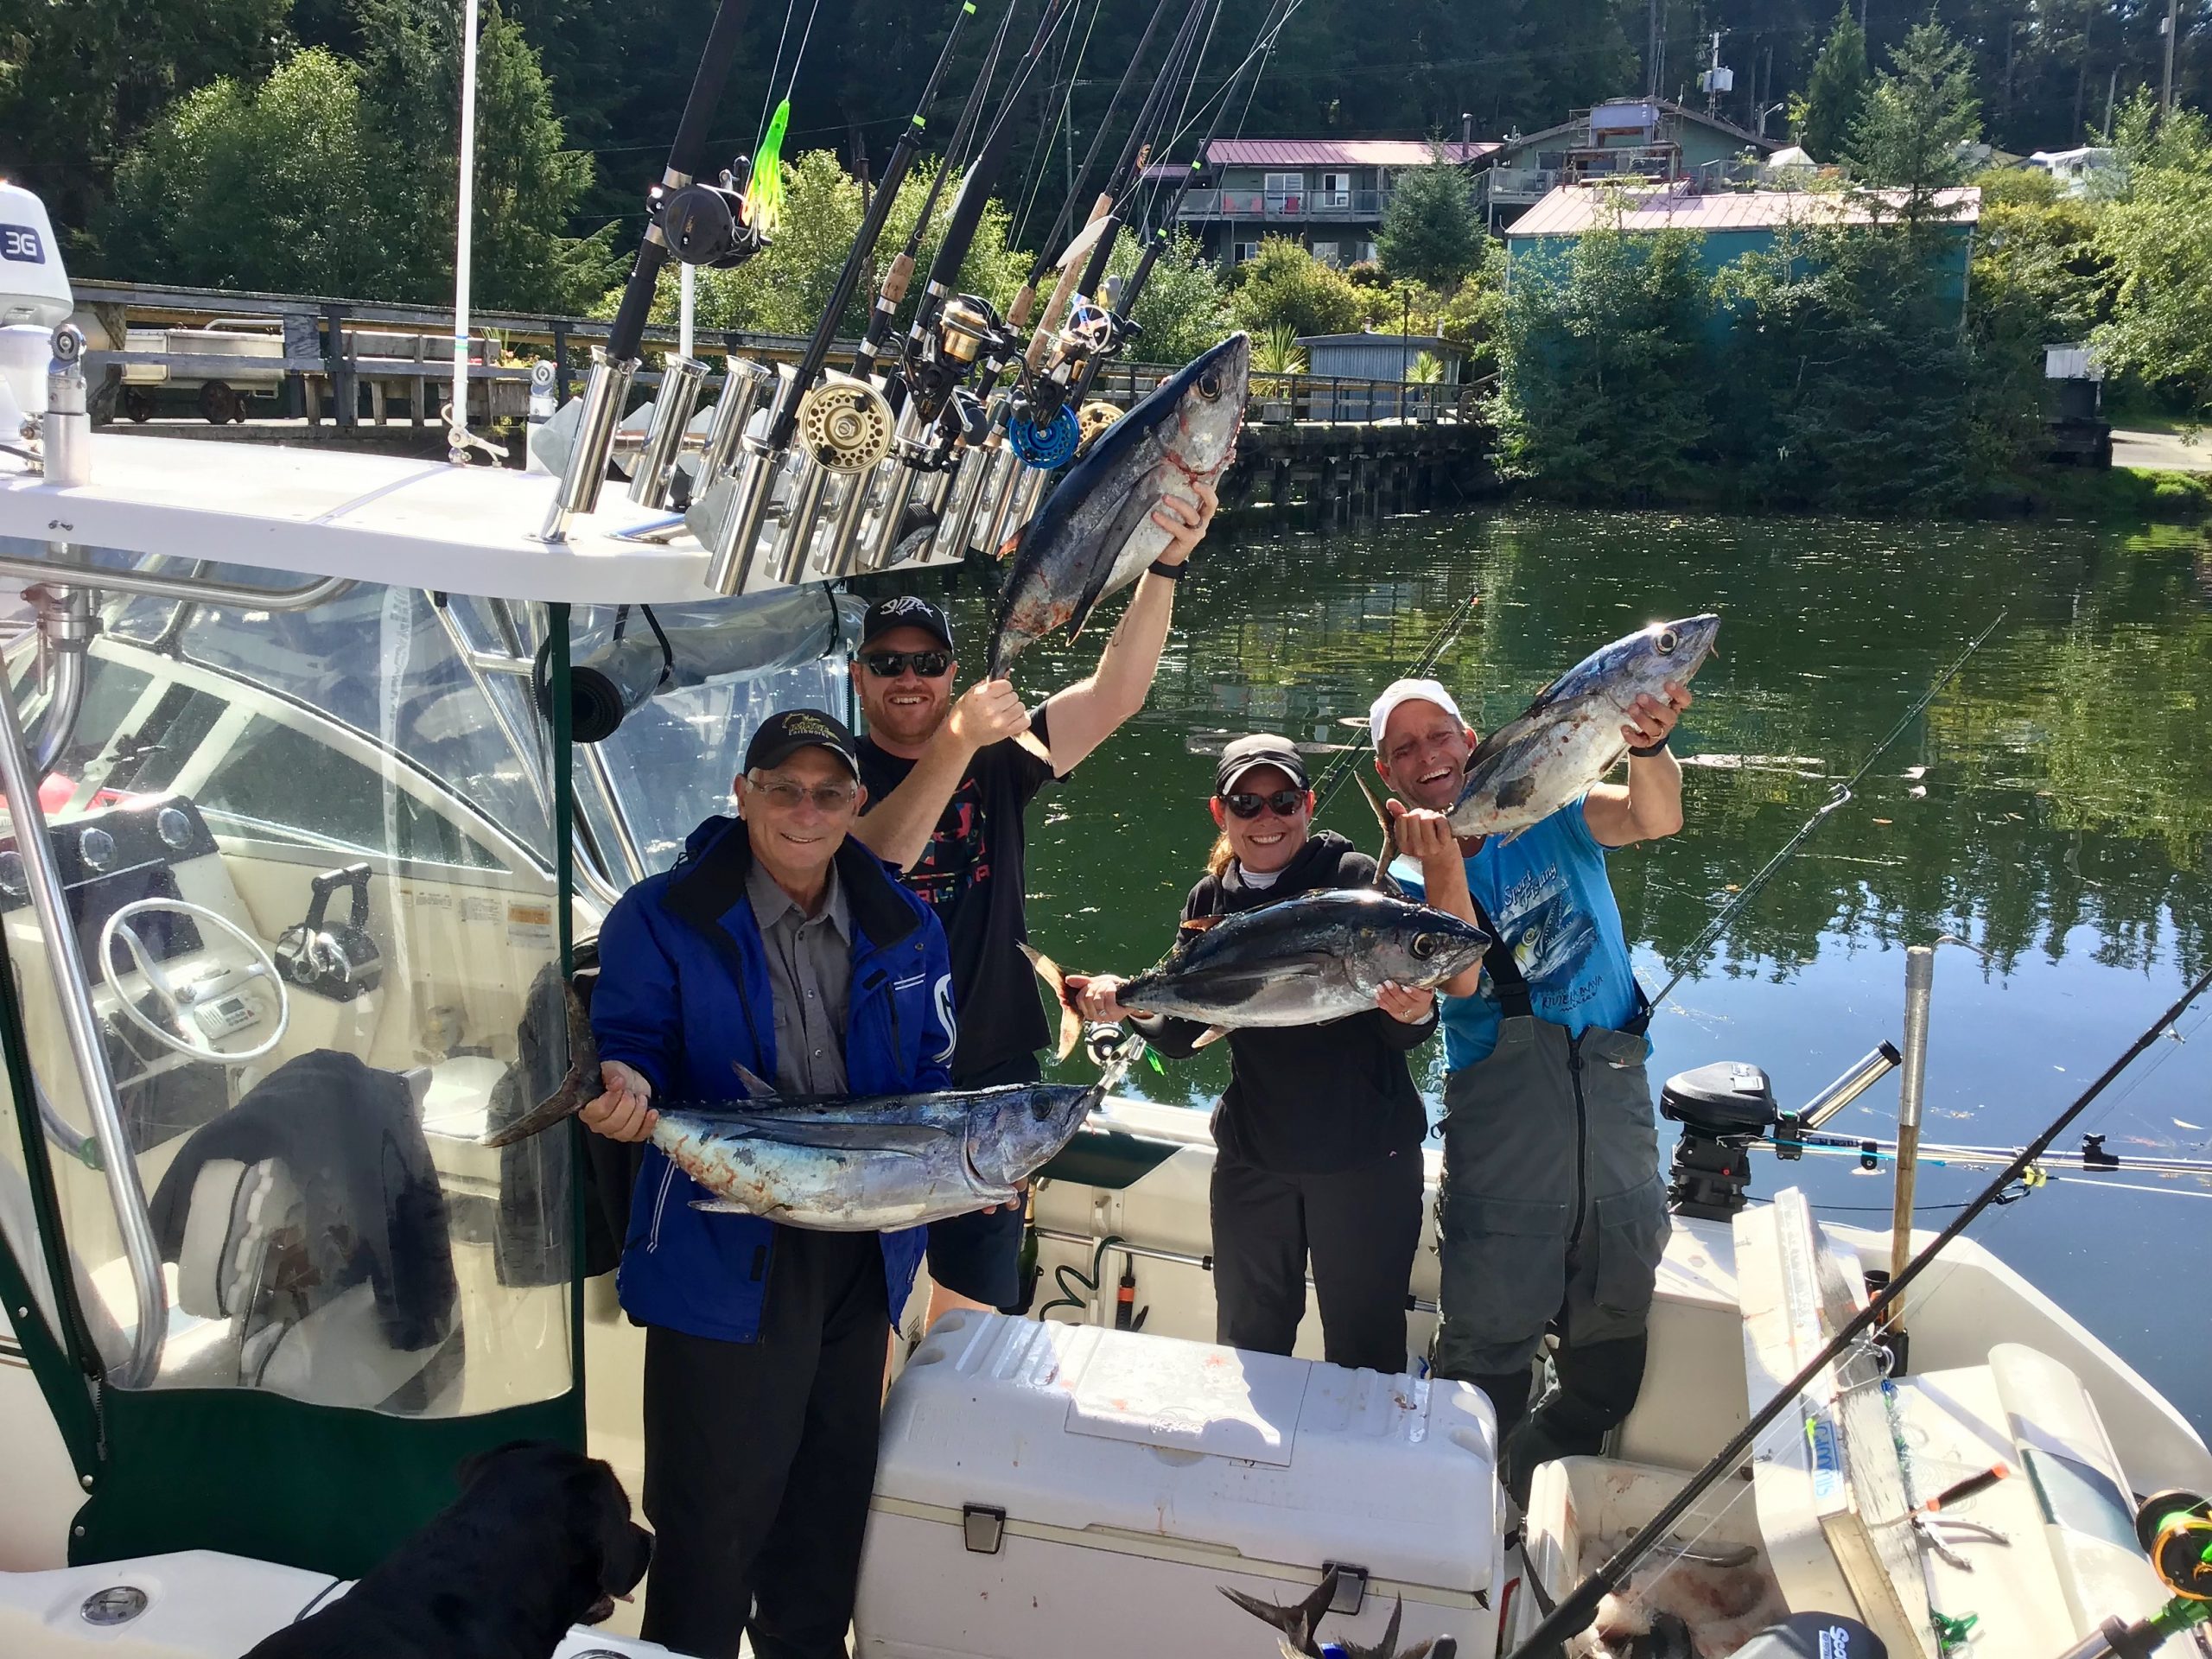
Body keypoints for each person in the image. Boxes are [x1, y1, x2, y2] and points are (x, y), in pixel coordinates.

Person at [582, 708, 957, 1659]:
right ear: (743, 792)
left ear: (856, 802)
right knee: (710, 1527)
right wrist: (621, 1088)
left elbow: (932, 1077)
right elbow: (629, 1050)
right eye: (781, 788)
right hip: (718, 1257)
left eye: (828, 792)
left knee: (826, 1514)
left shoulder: (907, 922)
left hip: (862, 1258)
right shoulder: (657, 917)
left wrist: (961, 1171)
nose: (805, 809)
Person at [848, 480, 1217, 1328]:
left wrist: (1164, 566)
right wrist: (958, 738)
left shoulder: (998, 758)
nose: (909, 678)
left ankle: (946, 1452)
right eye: (888, 663)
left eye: (928, 663)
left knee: (972, 1308)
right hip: (873, 1083)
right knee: (858, 1308)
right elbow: (873, 862)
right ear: (859, 676)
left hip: (992, 1072)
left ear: (952, 671)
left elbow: (1115, 695)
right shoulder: (829, 779)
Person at [1369, 671, 1691, 1497]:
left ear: (1471, 740)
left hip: (1616, 1114)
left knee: (1611, 1357)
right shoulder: (1400, 888)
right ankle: (1465, 1518)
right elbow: (1463, 977)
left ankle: (1539, 1492)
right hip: (1507, 1139)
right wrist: (1440, 866)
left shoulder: (1553, 805)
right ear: (1388, 776)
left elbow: (1657, 817)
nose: (1427, 756)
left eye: (1439, 735)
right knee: (1483, 1370)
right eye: (1404, 748)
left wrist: (1647, 745)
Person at [1065, 734, 1437, 1373]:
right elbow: (1182, 1038)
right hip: (1253, 1161)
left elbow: (1405, 1022)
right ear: (1221, 812)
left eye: (1283, 800)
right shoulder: (1208, 902)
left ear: (1308, 803)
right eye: (1247, 803)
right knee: (1249, 1343)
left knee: (1366, 1348)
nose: (1266, 819)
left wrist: (1419, 1012)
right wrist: (1132, 1001)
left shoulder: (1354, 884)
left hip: (1366, 1159)